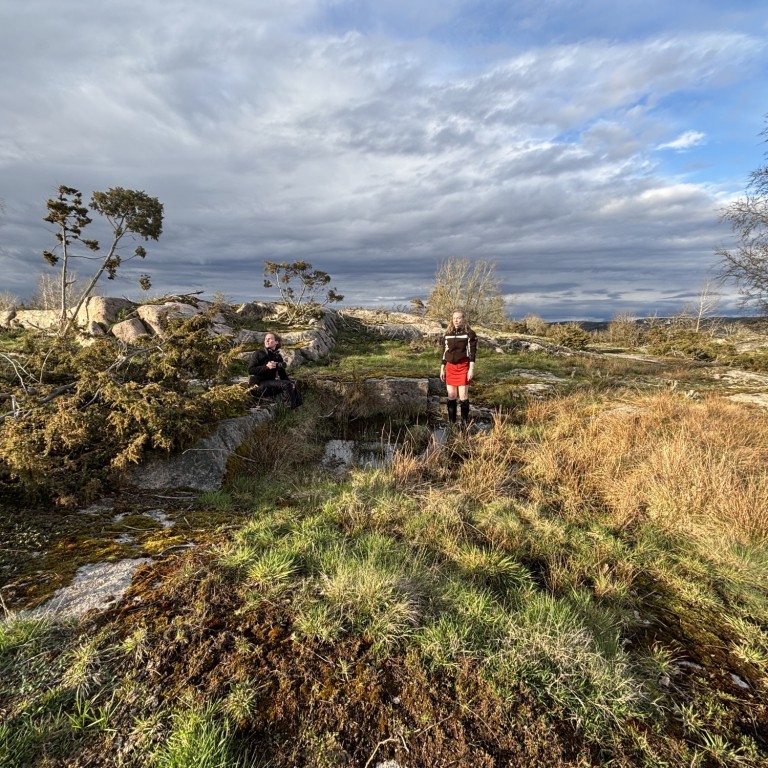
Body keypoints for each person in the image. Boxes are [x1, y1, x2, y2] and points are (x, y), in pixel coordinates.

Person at [440, 308, 477, 425]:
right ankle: (452, 423)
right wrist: (442, 368)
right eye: (454, 318)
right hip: (450, 367)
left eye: (459, 318)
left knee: (463, 396)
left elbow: (472, 353)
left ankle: (464, 424)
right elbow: (445, 351)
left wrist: (471, 369)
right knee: (451, 395)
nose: (456, 320)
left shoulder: (469, 333)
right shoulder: (448, 334)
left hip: (463, 367)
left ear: (463, 319)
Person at [248, 331, 302, 409]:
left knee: (291, 384)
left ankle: (298, 408)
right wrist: (266, 367)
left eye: (270, 339)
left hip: (268, 384)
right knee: (286, 385)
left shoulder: (277, 356)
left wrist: (291, 383)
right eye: (266, 339)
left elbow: (283, 375)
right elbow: (250, 370)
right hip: (257, 386)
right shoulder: (258, 353)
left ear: (276, 342)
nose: (267, 340)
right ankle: (290, 409)